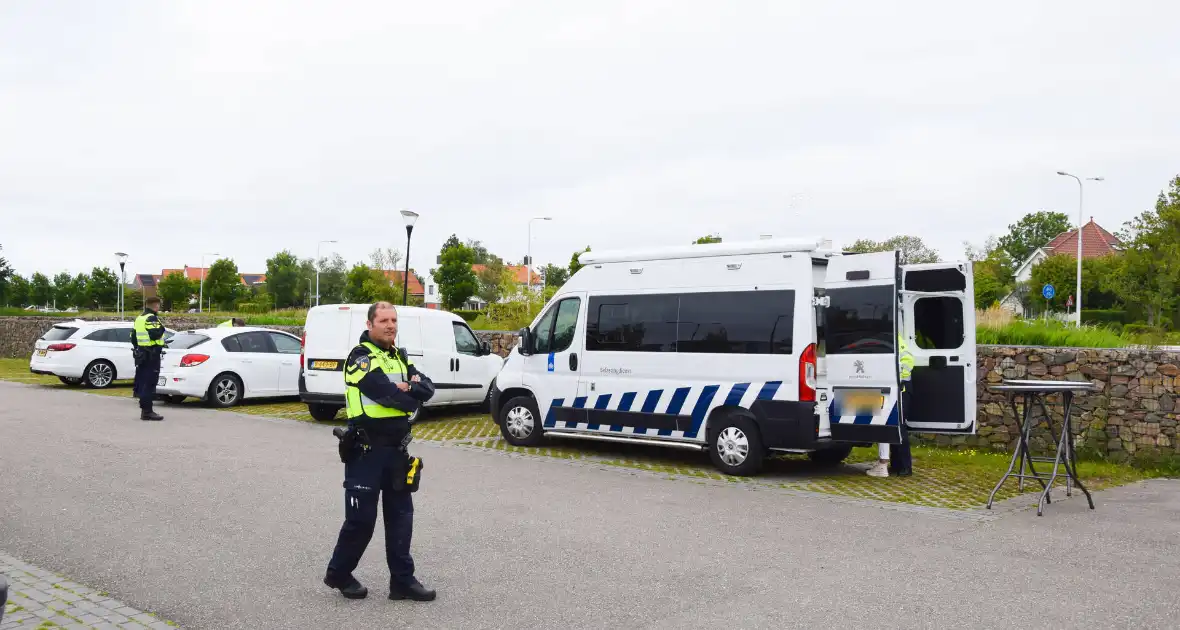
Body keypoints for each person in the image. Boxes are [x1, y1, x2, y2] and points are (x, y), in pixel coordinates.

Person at [324, 301, 437, 602]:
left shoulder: (399, 357)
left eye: (394, 320)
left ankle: (402, 581)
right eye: (384, 320)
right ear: (370, 324)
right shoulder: (359, 358)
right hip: (366, 452)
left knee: (401, 517)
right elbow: (384, 395)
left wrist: (408, 389)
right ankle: (339, 574)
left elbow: (427, 388)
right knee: (361, 521)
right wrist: (406, 392)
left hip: (397, 452)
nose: (390, 325)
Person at [866, 332, 914, 477]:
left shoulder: (888, 338)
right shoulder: (893, 337)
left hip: (900, 389)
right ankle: (897, 465)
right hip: (900, 388)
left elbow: (906, 363)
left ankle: (905, 467)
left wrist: (897, 381)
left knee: (899, 428)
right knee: (893, 426)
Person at [131, 296, 167, 421]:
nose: (159, 308)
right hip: (151, 355)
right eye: (159, 305)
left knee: (142, 381)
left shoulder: (139, 318)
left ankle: (145, 410)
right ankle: (148, 412)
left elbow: (133, 337)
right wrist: (162, 327)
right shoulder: (151, 318)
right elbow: (155, 334)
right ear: (156, 306)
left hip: (142, 354)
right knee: (150, 383)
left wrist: (139, 348)